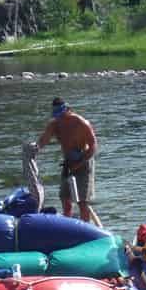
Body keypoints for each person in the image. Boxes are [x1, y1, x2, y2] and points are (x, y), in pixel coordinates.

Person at [36, 97, 101, 226]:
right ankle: (67, 226)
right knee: (65, 198)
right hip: (68, 163)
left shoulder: (81, 123)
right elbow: (43, 140)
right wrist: (34, 148)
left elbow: (93, 145)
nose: (60, 118)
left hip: (83, 161)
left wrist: (80, 162)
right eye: (57, 115)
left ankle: (85, 228)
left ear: (68, 110)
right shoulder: (55, 124)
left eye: (61, 114)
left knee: (82, 201)